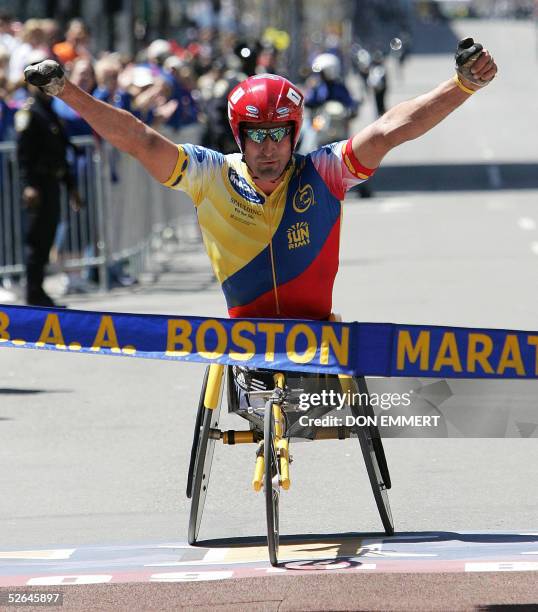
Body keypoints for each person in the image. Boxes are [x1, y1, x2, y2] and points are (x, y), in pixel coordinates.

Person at [23, 37, 496, 318]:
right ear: (238, 136)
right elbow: (143, 140)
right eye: (255, 136)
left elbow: (389, 129)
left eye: (278, 135)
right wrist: (67, 91)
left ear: (293, 135)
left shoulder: (325, 171)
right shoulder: (210, 174)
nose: (268, 148)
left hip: (318, 334)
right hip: (244, 338)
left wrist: (462, 85)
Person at [15, 81, 79, 307]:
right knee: (36, 241)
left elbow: (62, 149)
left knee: (47, 236)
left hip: (53, 182)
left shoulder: (50, 109)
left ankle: (39, 292)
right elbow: (23, 154)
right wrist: (28, 185)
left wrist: (71, 186)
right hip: (38, 184)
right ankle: (33, 293)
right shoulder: (29, 112)